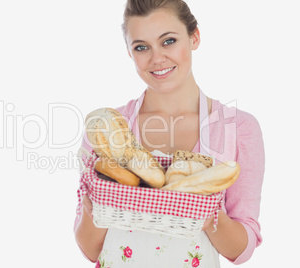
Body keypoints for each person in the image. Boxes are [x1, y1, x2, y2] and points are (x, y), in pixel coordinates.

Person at [74, 0, 265, 267]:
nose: (157, 58)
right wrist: (94, 204)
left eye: (168, 41)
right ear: (130, 53)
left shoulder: (237, 128)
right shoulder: (108, 130)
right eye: (141, 47)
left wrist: (209, 216)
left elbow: (242, 250)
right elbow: (91, 249)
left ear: (194, 37)